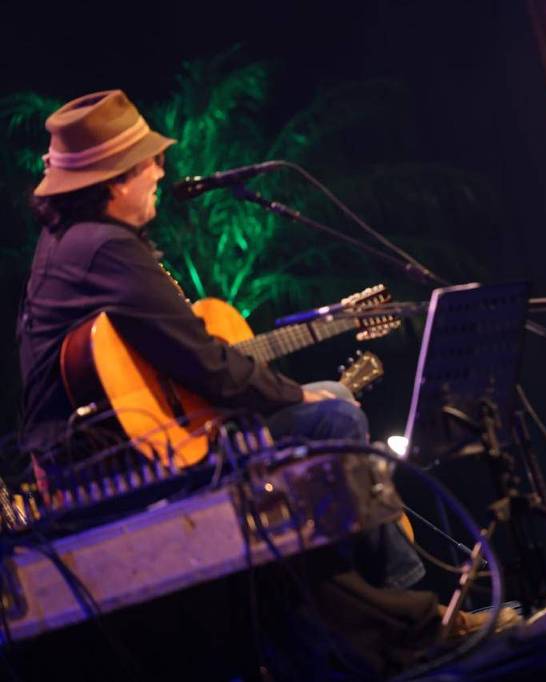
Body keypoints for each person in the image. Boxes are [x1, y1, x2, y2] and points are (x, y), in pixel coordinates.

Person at [14, 89, 508, 678]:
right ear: (115, 180)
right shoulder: (106, 250)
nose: (160, 171)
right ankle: (419, 619)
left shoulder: (73, 245)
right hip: (123, 467)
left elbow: (173, 354)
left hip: (110, 453)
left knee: (332, 403)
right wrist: (292, 394)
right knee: (335, 415)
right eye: (148, 162)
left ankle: (407, 619)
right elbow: (207, 366)